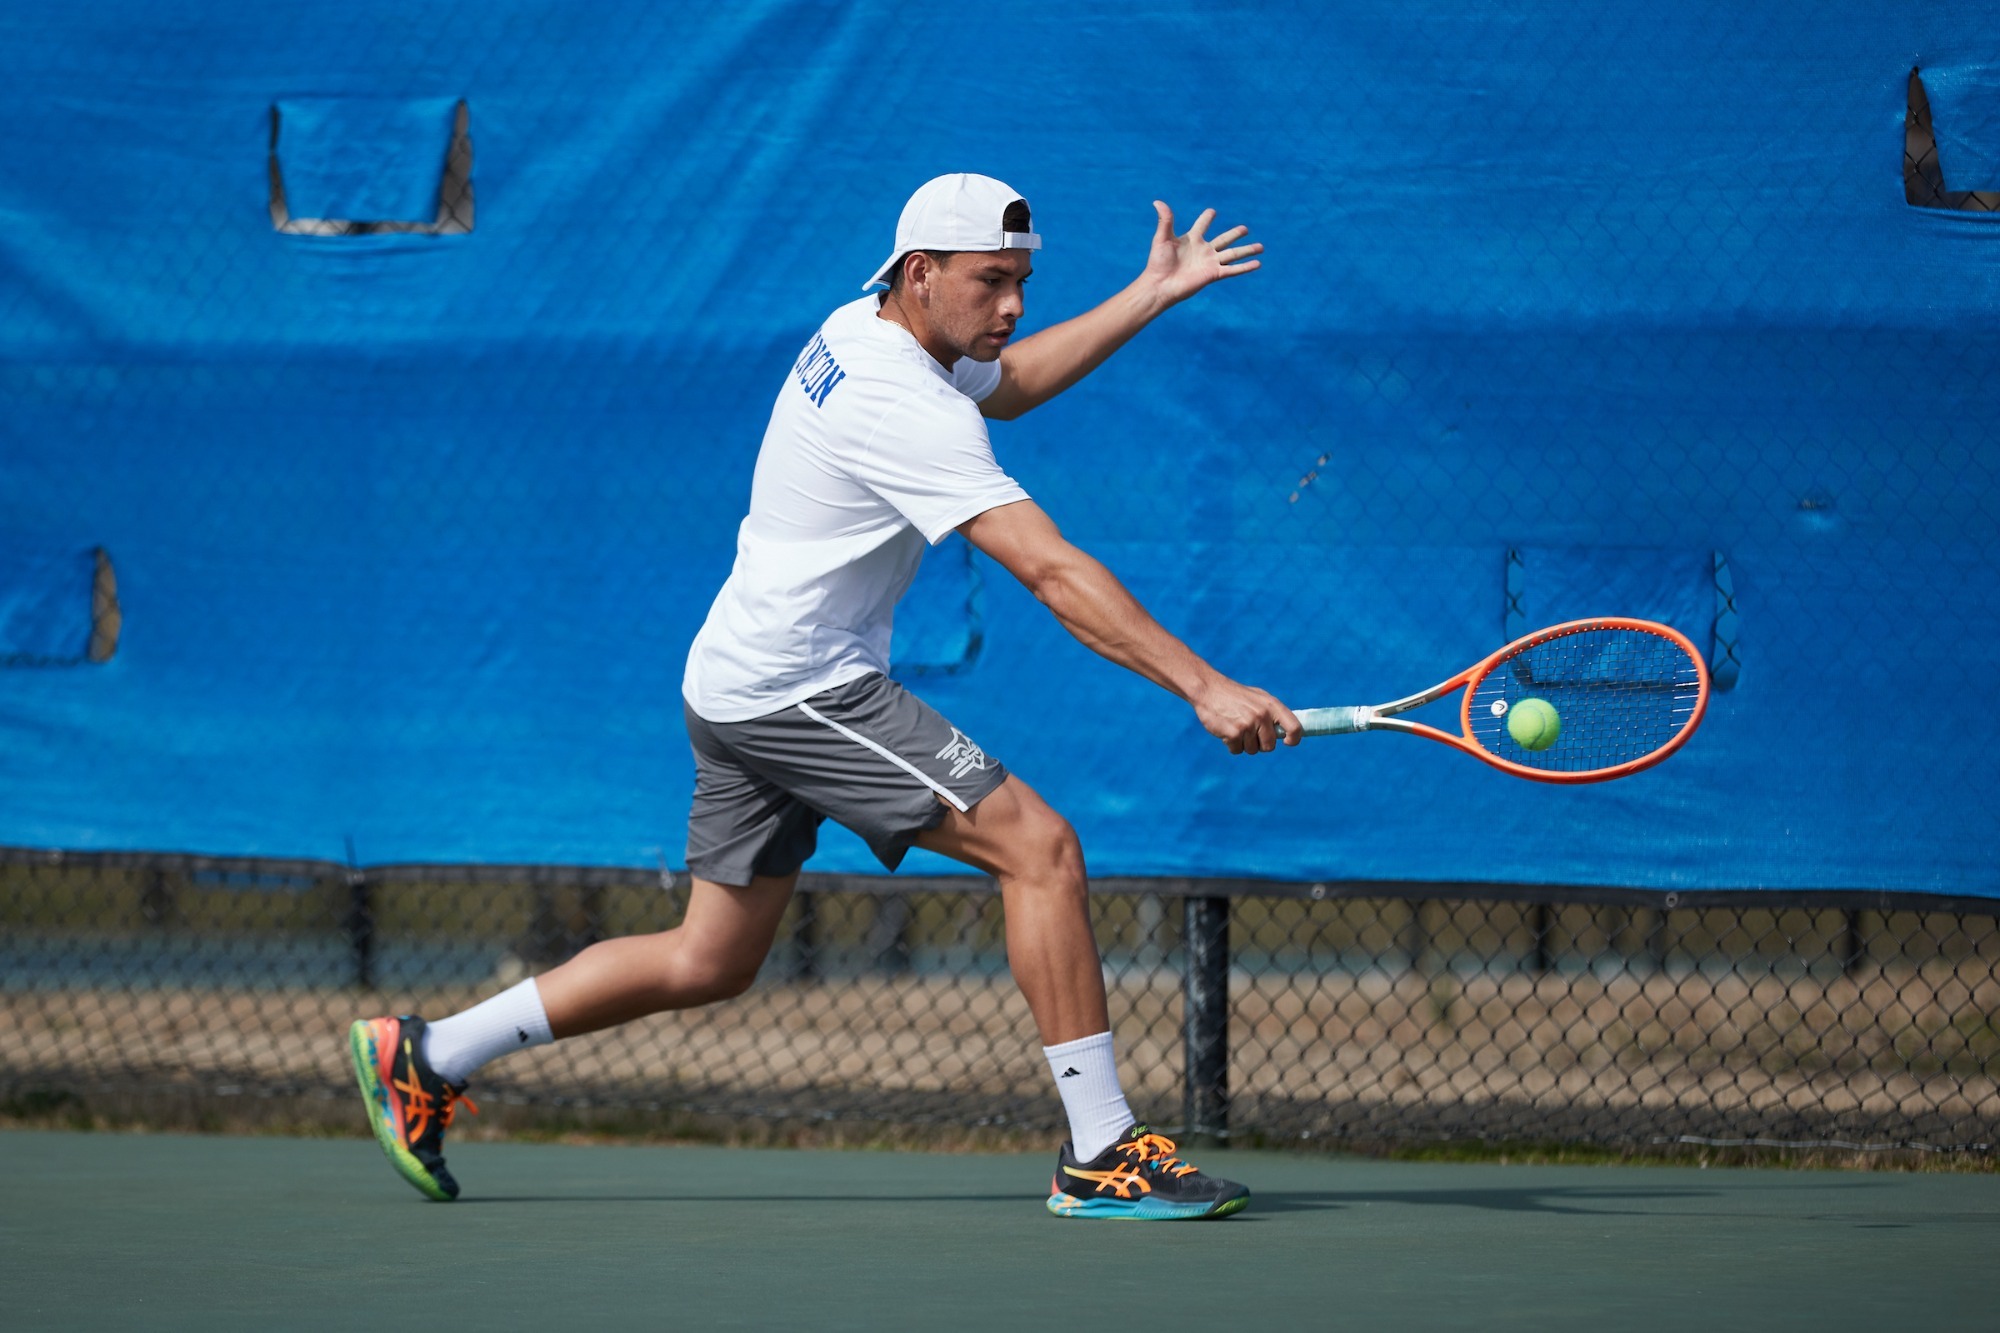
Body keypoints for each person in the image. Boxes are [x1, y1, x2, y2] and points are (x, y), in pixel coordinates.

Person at [349, 173, 1300, 1220]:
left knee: (707, 957)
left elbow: (1012, 380)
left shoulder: (869, 327)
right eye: (991, 283)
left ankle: (431, 1053)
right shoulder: (896, 398)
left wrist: (1147, 293)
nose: (1011, 307)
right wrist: (1202, 686)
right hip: (804, 689)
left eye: (1021, 282)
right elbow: (1050, 572)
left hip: (733, 679)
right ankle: (1101, 1150)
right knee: (1039, 848)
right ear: (921, 272)